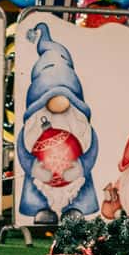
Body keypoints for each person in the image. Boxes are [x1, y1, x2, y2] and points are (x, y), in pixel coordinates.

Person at [16, 22, 99, 224]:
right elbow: (24, 150)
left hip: (76, 177)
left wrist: (81, 167)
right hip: (41, 176)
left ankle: (76, 208)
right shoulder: (33, 126)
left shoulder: (80, 123)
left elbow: (91, 148)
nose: (58, 103)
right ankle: (40, 208)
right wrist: (34, 168)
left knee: (80, 187)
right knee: (36, 189)